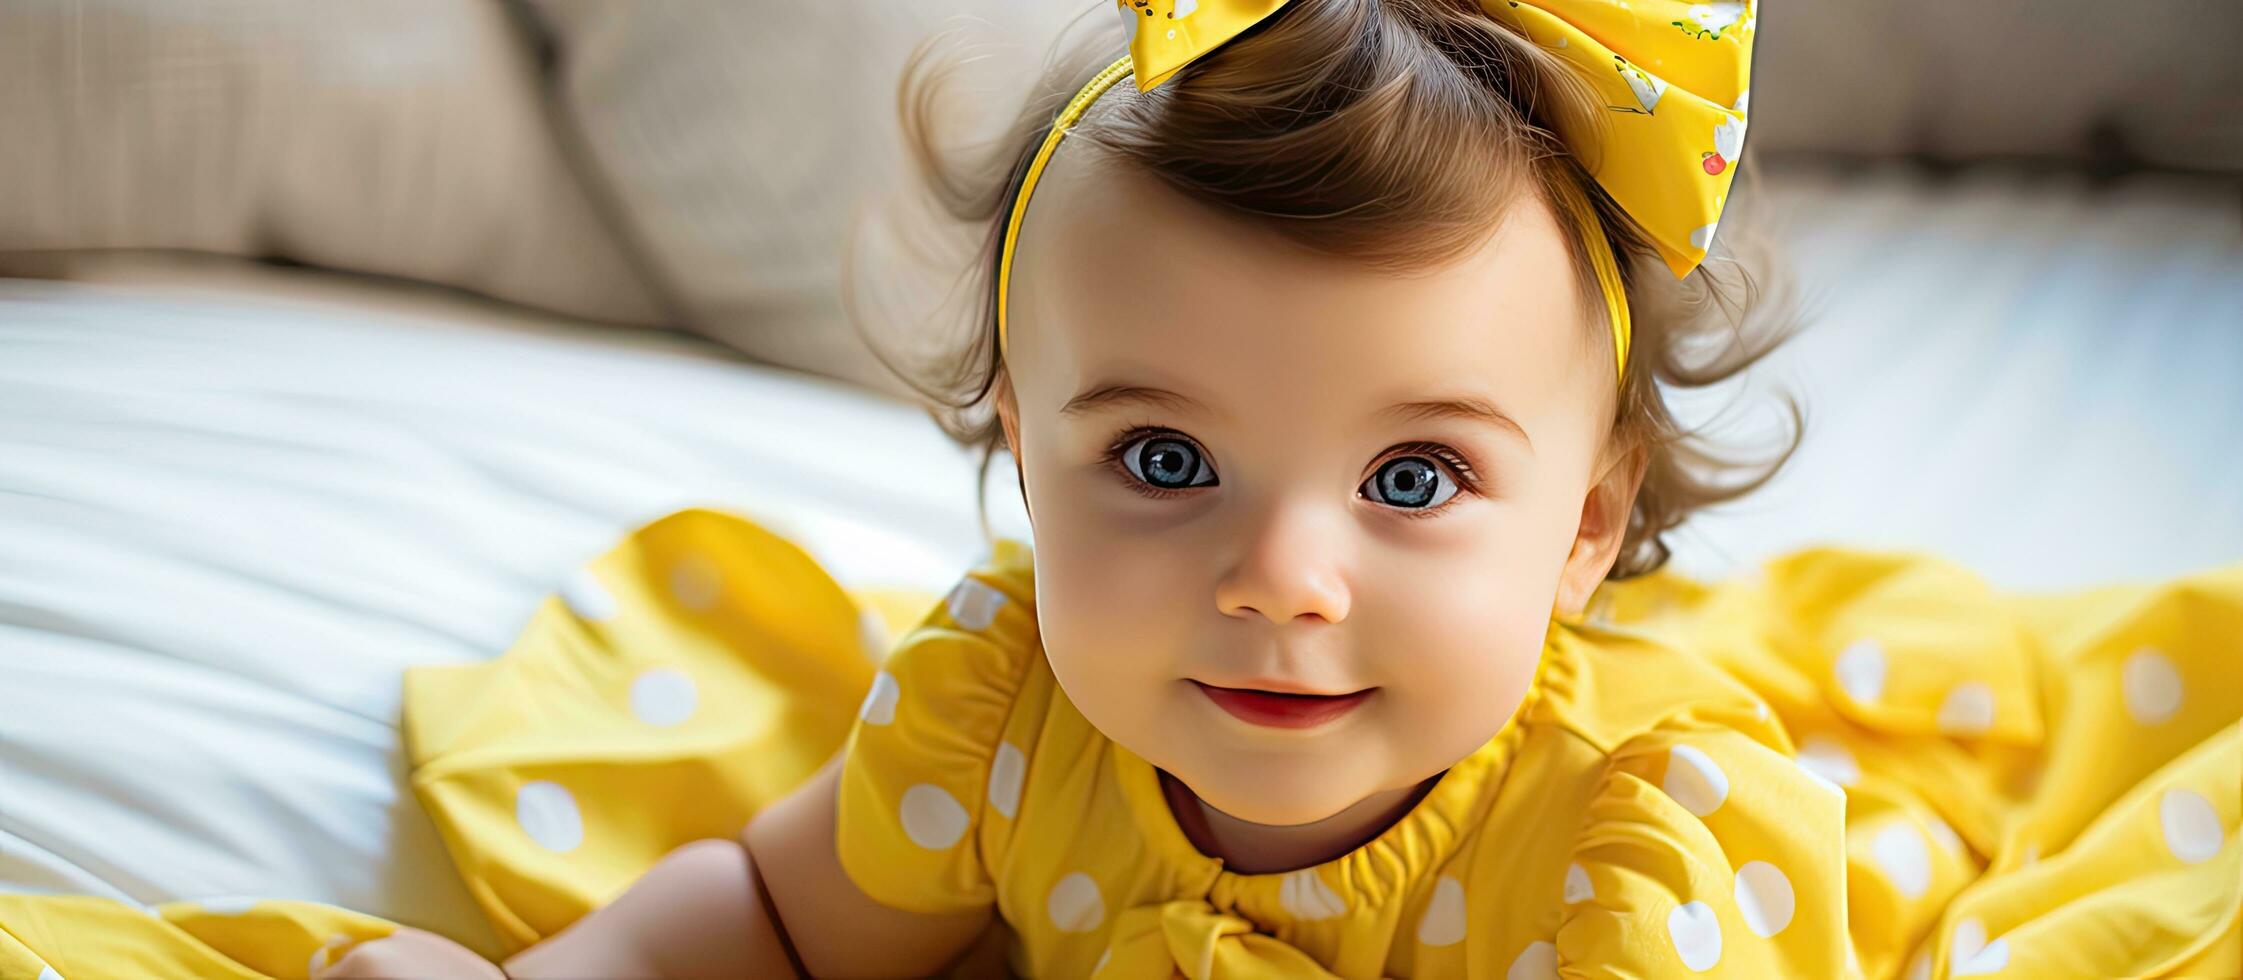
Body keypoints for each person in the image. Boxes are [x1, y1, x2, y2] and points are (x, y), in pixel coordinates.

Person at [325, 1, 2239, 977]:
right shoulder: (1000, 714)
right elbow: (766, 914)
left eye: (1415, 476)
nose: (1283, 578)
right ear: (1017, 437)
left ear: (1586, 523)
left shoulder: (1637, 864)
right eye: (1163, 461)